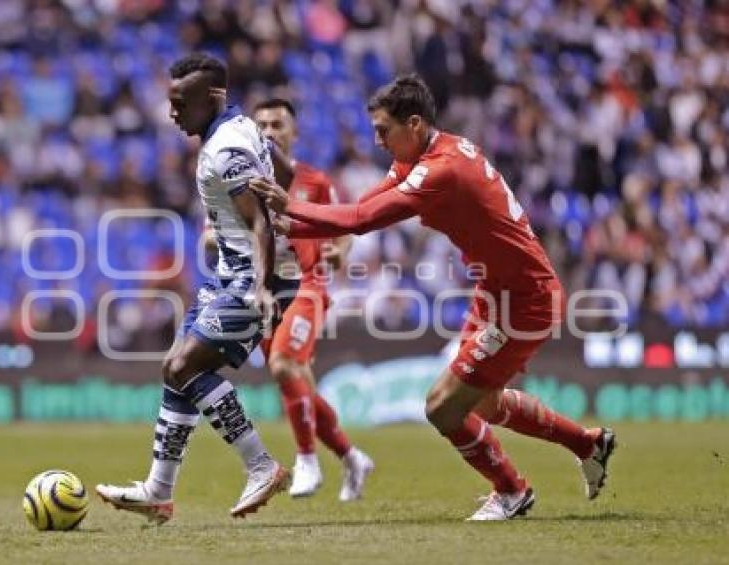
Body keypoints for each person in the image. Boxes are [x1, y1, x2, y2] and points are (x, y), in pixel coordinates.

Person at [250, 75, 616, 521]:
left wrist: (288, 207)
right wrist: (299, 225)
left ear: (415, 124)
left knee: (442, 407)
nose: (379, 141)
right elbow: (364, 206)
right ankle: (588, 443)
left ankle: (511, 490)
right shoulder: (426, 154)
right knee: (483, 403)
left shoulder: (441, 170)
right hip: (495, 292)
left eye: (384, 131)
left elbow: (363, 219)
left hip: (525, 302)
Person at [96, 53, 296, 524]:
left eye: (181, 103)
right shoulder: (241, 126)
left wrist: (264, 287)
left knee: (184, 365)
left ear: (213, 98)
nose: (172, 112)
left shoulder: (225, 149)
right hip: (228, 272)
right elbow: (284, 177)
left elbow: (261, 224)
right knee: (175, 368)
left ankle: (261, 465)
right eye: (170, 102)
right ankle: (158, 491)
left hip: (255, 276)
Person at [252, 98, 374, 500]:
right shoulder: (242, 183)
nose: (270, 132)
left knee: (284, 364)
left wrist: (340, 250)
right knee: (297, 381)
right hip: (266, 294)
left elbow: (342, 223)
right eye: (263, 125)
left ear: (294, 132)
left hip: (307, 285)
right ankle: (352, 457)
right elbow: (212, 232)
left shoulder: (314, 181)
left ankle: (307, 460)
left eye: (278, 124)